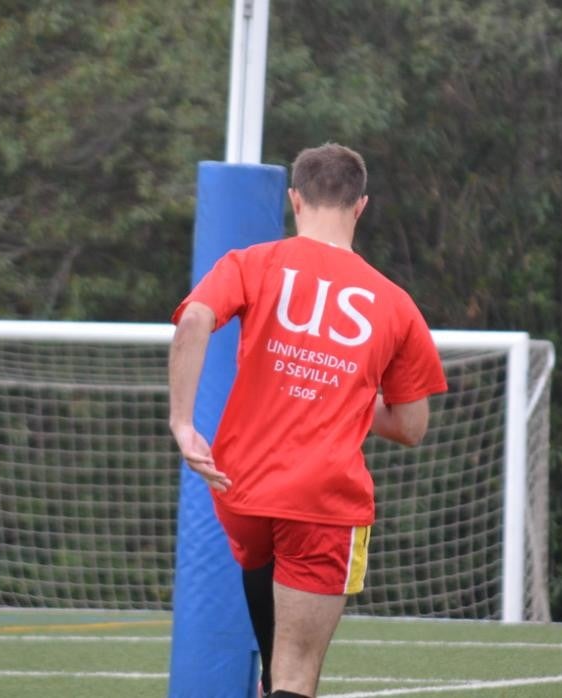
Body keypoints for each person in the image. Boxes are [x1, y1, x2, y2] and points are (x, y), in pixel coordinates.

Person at [168, 143, 448, 698]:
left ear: (295, 198)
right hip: (322, 500)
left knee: (276, 670)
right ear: (360, 206)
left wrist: (182, 422)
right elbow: (412, 427)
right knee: (296, 677)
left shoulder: (251, 263)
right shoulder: (395, 303)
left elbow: (195, 317)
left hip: (241, 489)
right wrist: (343, 394)